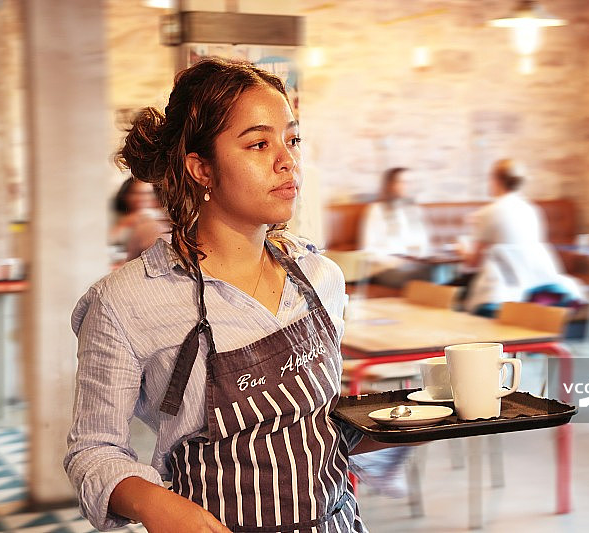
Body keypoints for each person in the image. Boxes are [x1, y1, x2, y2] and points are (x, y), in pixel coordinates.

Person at [64, 58, 391, 533]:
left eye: (292, 140)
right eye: (259, 144)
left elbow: (316, 429)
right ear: (202, 168)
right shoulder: (126, 302)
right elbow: (93, 451)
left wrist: (418, 420)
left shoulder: (320, 278)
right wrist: (156, 504)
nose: (287, 161)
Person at [463, 159, 584, 316]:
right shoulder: (532, 210)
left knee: (461, 292)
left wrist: (462, 249)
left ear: (496, 180)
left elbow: (473, 262)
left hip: (500, 295)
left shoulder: (488, 213)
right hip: (537, 290)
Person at [358, 167, 432, 288]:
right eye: (402, 182)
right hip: (385, 269)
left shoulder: (414, 210)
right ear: (390, 185)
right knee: (429, 276)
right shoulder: (376, 210)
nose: (407, 186)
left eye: (410, 182)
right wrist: (396, 260)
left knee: (437, 270)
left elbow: (423, 243)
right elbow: (368, 250)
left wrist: (419, 256)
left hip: (414, 266)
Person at [109, 177, 168, 262]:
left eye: (148, 193)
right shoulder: (118, 217)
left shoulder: (159, 221)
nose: (141, 198)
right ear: (126, 195)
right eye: (135, 193)